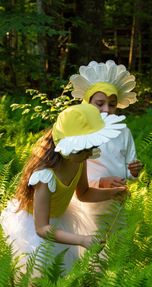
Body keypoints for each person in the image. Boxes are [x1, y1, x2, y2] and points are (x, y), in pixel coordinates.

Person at [0, 103, 127, 271]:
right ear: (68, 147)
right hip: (35, 226)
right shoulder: (45, 177)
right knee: (38, 275)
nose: (89, 154)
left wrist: (111, 193)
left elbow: (84, 193)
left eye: (92, 147)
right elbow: (42, 228)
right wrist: (81, 239)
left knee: (63, 271)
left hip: (61, 220)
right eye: (84, 149)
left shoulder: (78, 160)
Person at [69, 60, 142, 246]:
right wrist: (101, 182)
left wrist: (132, 172)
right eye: (99, 104)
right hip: (88, 204)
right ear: (87, 102)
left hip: (116, 202)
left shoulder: (123, 131)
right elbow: (72, 172)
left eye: (112, 105)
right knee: (92, 250)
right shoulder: (80, 131)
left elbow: (128, 168)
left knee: (117, 247)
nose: (106, 110)